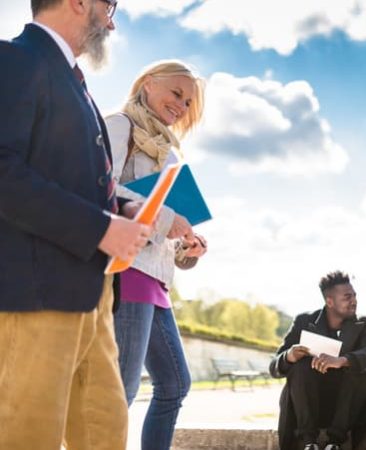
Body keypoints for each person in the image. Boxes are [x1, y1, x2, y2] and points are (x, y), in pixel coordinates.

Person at [0, 0, 151, 448]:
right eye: (111, 6)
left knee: (105, 433)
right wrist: (100, 229)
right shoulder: (14, 60)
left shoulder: (76, 85)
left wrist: (119, 216)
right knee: (29, 435)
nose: (111, 20)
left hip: (94, 297)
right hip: (35, 296)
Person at [105, 60, 208, 450]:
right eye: (176, 93)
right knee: (122, 390)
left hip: (156, 279)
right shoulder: (120, 127)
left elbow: (165, 237)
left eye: (188, 102)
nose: (181, 106)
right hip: (126, 271)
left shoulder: (167, 152)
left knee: (175, 383)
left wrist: (187, 247)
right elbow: (100, 188)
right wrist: (169, 218)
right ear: (148, 84)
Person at [270, 271, 366, 450]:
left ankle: (335, 444)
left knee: (356, 366)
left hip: (347, 410)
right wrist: (288, 356)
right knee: (299, 365)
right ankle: (309, 442)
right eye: (347, 297)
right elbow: (273, 367)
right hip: (310, 408)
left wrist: (343, 360)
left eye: (354, 296)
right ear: (330, 301)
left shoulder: (363, 323)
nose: (354, 300)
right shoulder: (304, 321)